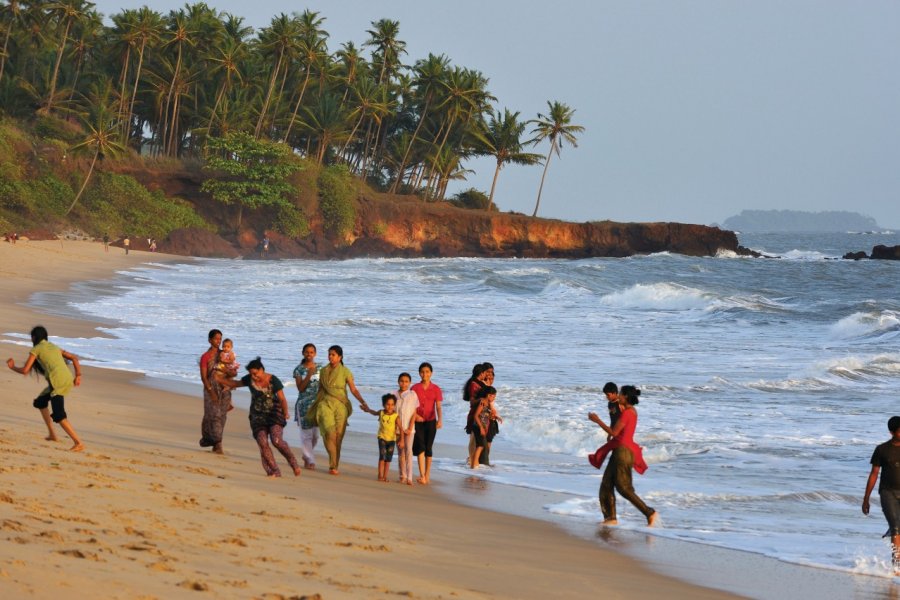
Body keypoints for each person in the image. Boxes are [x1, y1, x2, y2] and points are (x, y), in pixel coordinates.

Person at [587, 385, 658, 527]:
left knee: (623, 487)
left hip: (624, 452)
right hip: (619, 450)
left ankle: (649, 512)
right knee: (606, 484)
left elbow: (614, 432)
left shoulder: (628, 413)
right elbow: (617, 430)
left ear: (625, 396)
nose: (618, 395)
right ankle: (610, 518)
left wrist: (597, 420)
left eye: (620, 393)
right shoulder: (629, 411)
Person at [6, 326, 84, 451]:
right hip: (66, 379)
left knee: (59, 414)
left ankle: (78, 442)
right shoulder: (53, 346)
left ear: (33, 338)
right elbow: (74, 358)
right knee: (40, 402)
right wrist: (78, 375)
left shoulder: (36, 349)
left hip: (57, 383)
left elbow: (25, 370)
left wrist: (12, 367)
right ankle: (52, 434)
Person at [220, 357, 301, 478]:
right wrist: (218, 379)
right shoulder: (249, 380)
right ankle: (274, 471)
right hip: (257, 416)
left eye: (255, 373)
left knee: (276, 440)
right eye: (251, 374)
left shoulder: (273, 380)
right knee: (262, 442)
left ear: (262, 370)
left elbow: (282, 399)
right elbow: (235, 383)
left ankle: (293, 463)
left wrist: (285, 412)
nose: (253, 376)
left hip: (275, 414)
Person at [305, 345, 369, 475]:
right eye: (329, 354)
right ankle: (333, 465)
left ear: (340, 357)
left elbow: (353, 389)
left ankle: (334, 465)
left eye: (333, 355)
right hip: (325, 404)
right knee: (329, 434)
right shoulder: (323, 371)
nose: (330, 357)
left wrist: (363, 402)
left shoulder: (346, 371)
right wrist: (314, 405)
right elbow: (320, 391)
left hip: (341, 405)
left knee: (338, 437)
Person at [862, 415, 900, 575]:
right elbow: (874, 474)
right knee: (896, 528)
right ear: (892, 432)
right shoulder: (882, 449)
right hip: (887, 492)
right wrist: (866, 499)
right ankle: (897, 567)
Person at [199, 329, 231, 454]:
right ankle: (215, 442)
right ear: (210, 340)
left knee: (222, 416)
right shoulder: (205, 357)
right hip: (210, 388)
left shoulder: (225, 355)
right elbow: (203, 377)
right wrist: (210, 391)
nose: (218, 341)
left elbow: (232, 371)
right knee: (213, 415)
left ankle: (215, 442)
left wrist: (230, 373)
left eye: (220, 339)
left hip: (224, 388)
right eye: (216, 339)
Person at [411, 362, 443, 484]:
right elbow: (411, 405)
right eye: (422, 372)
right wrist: (415, 416)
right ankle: (422, 475)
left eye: (427, 372)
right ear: (419, 373)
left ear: (431, 373)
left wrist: (440, 419)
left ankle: (427, 475)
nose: (425, 374)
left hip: (431, 421)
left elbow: (438, 407)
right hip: (417, 420)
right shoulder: (414, 388)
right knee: (420, 447)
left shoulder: (436, 389)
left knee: (428, 448)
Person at [292, 343, 320, 470]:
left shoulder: (320, 368)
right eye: (307, 352)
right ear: (303, 353)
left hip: (317, 406)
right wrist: (309, 374)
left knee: (315, 435)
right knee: (306, 435)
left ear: (315, 354)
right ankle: (310, 460)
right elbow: (300, 388)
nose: (309, 354)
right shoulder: (299, 369)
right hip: (303, 405)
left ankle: (306, 455)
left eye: (311, 352)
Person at [363, 393, 400, 482]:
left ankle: (385, 476)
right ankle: (380, 475)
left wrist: (401, 439)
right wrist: (367, 410)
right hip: (382, 438)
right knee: (382, 456)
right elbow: (374, 413)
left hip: (392, 440)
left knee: (388, 459)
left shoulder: (396, 416)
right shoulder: (381, 412)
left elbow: (401, 428)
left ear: (394, 405)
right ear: (383, 405)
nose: (390, 407)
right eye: (388, 404)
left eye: (392, 405)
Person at [394, 372, 420, 485]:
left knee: (409, 451)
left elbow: (414, 412)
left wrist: (410, 427)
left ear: (410, 383)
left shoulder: (412, 394)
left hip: (409, 429)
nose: (403, 383)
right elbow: (392, 412)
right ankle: (402, 475)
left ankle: (409, 477)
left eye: (406, 381)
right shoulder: (393, 394)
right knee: (400, 452)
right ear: (398, 381)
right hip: (397, 428)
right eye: (401, 381)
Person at [471, 386, 502, 469]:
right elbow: (476, 416)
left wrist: (496, 417)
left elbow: (486, 415)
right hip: (478, 426)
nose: (494, 398)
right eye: (493, 396)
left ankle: (475, 465)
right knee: (480, 446)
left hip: (482, 427)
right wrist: (481, 427)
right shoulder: (483, 402)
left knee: (480, 446)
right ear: (488, 395)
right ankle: (473, 466)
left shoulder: (487, 403)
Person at [464, 363, 487, 466]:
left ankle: (472, 460)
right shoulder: (474, 384)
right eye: (485, 373)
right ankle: (472, 460)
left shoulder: (478, 382)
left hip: (478, 412)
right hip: (474, 412)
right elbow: (472, 401)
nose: (486, 375)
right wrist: (481, 399)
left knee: (474, 438)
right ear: (481, 373)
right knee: (473, 438)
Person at [216, 338, 239, 411]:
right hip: (223, 367)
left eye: (228, 347)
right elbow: (219, 358)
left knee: (228, 380)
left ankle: (228, 387)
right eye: (224, 346)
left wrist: (224, 361)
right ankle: (229, 403)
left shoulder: (231, 353)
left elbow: (231, 361)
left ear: (231, 347)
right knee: (221, 380)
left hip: (230, 367)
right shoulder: (222, 352)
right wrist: (221, 359)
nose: (225, 348)